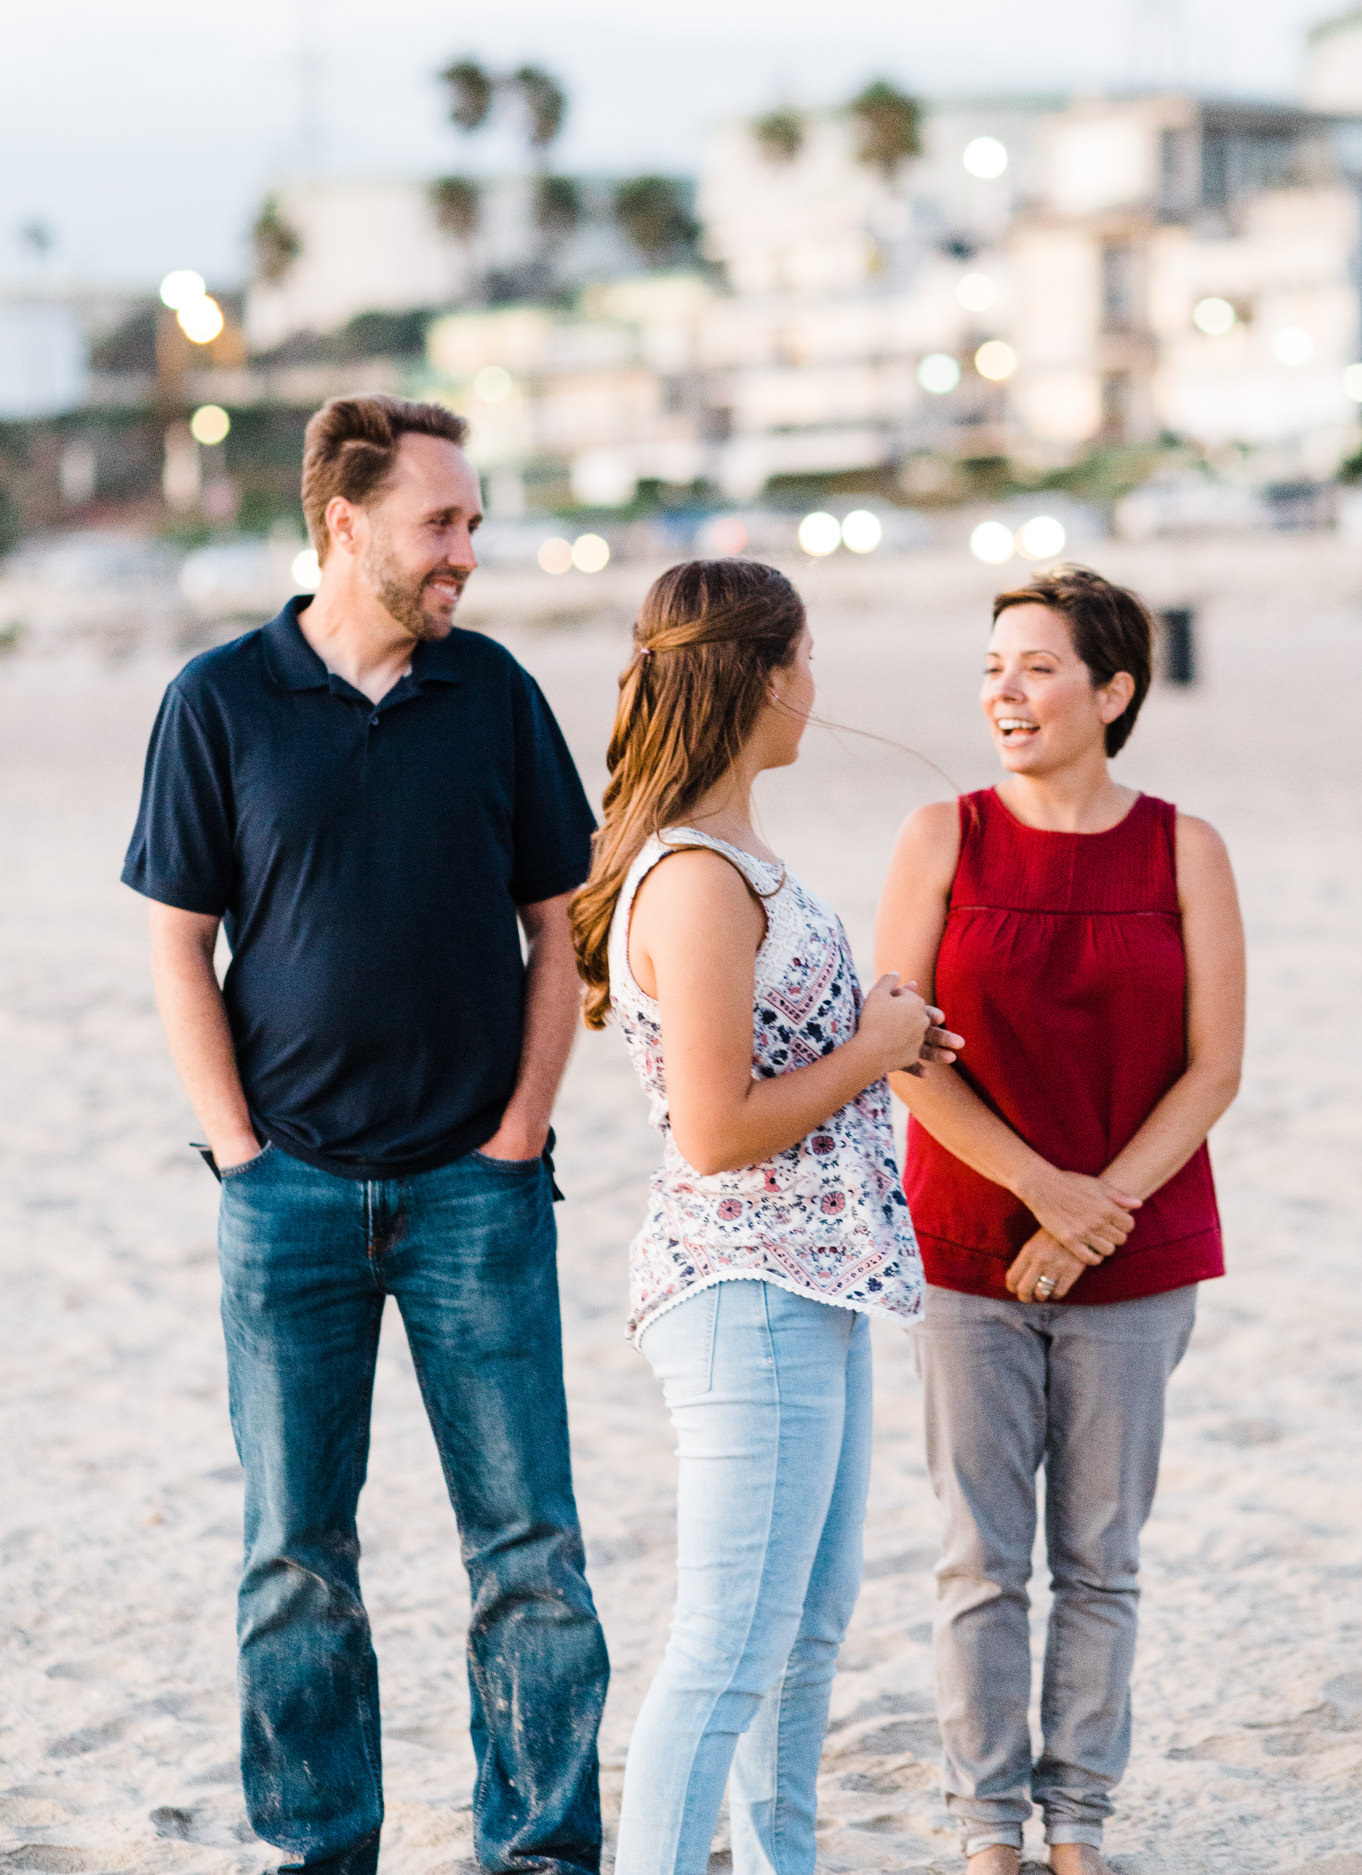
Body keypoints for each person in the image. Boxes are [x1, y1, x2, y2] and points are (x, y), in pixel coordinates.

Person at [122, 394, 609, 1875]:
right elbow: (176, 947)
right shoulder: (220, 700)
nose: (468, 551)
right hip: (292, 1200)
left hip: (479, 1187)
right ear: (345, 523)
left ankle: (535, 1853)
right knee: (293, 1561)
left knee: (528, 1554)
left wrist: (522, 1131)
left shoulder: (495, 692)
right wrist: (243, 1157)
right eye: (441, 523)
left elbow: (558, 928)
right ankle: (319, 1850)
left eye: (470, 522)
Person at [569, 559, 960, 1875]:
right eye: (805, 657)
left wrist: (880, 1035)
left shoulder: (734, 857)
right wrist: (877, 1048)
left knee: (799, 1639)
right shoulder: (690, 878)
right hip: (742, 1290)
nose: (816, 686)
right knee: (728, 1647)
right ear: (757, 674)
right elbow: (716, 1127)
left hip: (816, 1284)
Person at [875, 566, 1245, 1875]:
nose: (1004, 693)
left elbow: (1211, 1069)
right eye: (991, 668)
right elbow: (904, 1050)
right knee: (979, 1556)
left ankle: (1075, 1818)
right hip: (968, 1249)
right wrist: (1042, 1190)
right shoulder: (941, 838)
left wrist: (1096, 1216)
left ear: (1112, 690)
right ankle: (986, 1828)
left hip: (1138, 1262)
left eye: (1034, 667)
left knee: (1099, 1558)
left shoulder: (1182, 848)